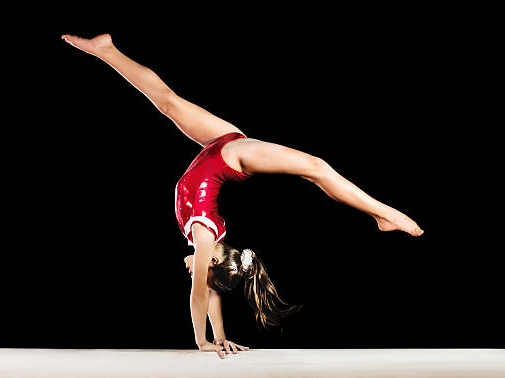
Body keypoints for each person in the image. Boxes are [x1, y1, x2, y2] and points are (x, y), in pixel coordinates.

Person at [61, 33, 424, 359]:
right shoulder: (204, 236)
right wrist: (201, 342)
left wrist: (220, 337)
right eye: (201, 275)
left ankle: (106, 50)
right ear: (214, 265)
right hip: (233, 157)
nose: (191, 274)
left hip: (220, 143)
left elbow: (210, 295)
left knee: (167, 102)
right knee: (315, 167)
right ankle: (386, 214)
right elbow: (200, 297)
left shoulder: (207, 237)